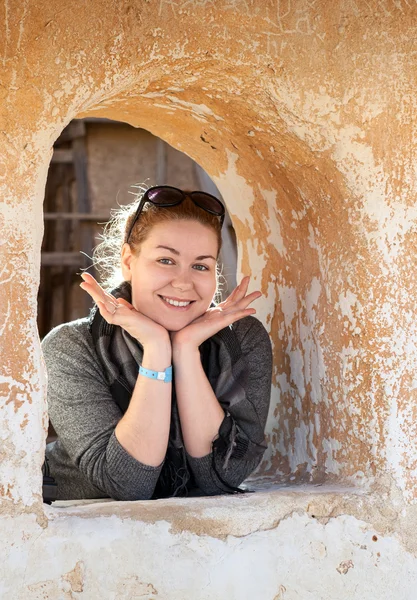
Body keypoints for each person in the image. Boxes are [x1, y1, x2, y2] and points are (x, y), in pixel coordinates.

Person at [42, 185, 273, 501]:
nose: (183, 282)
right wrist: (156, 349)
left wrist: (185, 349)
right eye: (166, 260)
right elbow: (127, 484)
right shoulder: (71, 347)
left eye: (201, 265)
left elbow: (223, 477)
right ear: (128, 261)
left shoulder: (241, 340)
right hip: (77, 539)